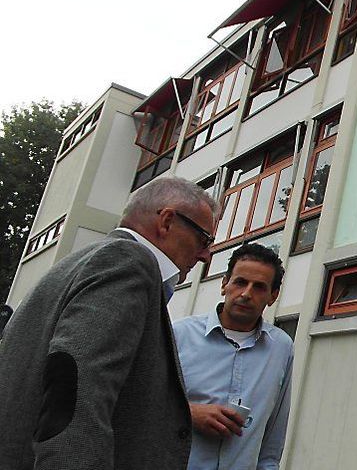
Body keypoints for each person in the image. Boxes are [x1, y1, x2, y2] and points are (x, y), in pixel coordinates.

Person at [0, 176, 217, 470]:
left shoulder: (84, 261)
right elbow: (77, 391)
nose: (206, 255)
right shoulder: (128, 261)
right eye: (204, 240)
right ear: (166, 221)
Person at [173, 243, 294, 470]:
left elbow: (274, 431)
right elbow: (140, 404)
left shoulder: (281, 347)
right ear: (224, 284)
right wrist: (188, 413)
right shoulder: (178, 335)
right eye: (240, 282)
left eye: (259, 287)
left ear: (273, 296)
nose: (246, 294)